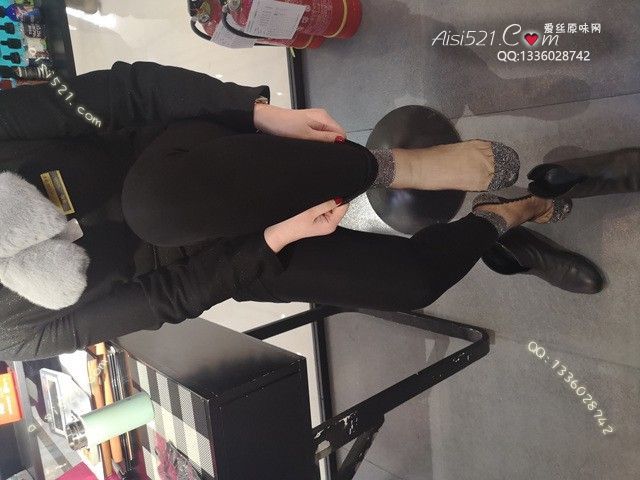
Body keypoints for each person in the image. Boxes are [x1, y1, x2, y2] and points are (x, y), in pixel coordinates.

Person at [0, 61, 570, 361]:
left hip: (181, 166)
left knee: (155, 210)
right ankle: (509, 215)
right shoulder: (10, 337)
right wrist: (272, 242)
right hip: (217, 261)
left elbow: (130, 93)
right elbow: (160, 300)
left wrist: (254, 112)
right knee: (410, 283)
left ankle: (390, 168)